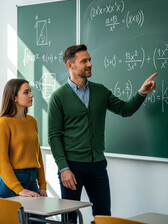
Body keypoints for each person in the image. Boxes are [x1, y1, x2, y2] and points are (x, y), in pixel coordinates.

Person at [48, 44, 157, 223]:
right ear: (70, 66)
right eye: (84, 61)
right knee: (69, 218)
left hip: (97, 164)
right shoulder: (58, 97)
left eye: (89, 60)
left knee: (103, 215)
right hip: (71, 167)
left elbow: (124, 109)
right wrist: (63, 169)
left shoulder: (100, 91)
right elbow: (54, 136)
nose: (90, 64)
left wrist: (142, 93)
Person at [0, 78, 47, 199]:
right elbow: (2, 161)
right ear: (13, 97)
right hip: (12, 182)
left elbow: (38, 156)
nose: (31, 95)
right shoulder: (4, 123)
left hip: (32, 180)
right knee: (13, 218)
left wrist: (42, 185)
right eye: (26, 92)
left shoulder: (32, 121)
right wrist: (18, 189)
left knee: (39, 218)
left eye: (30, 91)